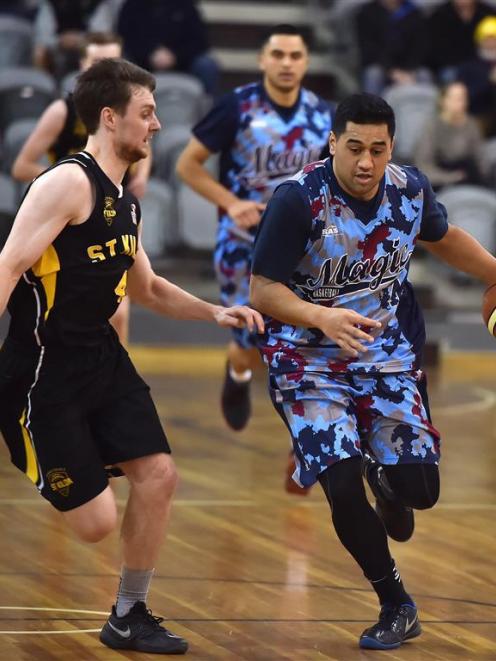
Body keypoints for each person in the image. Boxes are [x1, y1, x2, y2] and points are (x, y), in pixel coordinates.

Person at [0, 57, 263, 655]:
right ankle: (32, 438)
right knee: (94, 526)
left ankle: (129, 614)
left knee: (160, 476)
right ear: (110, 117)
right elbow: (9, 267)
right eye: (147, 113)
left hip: (103, 358)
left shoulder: (126, 198)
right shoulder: (66, 183)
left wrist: (216, 312)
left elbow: (147, 290)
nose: (157, 125)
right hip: (43, 368)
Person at [250, 93, 496, 650]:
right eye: (354, 147)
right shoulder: (298, 200)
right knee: (339, 482)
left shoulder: (410, 190)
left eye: (378, 150)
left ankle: (388, 480)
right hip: (306, 357)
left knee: (421, 493)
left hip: (387, 356)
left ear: (391, 149)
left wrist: (493, 273)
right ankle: (396, 604)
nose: (366, 161)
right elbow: (262, 291)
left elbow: (444, 237)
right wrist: (321, 317)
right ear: (333, 142)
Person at [176, 25, 332, 454]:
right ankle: (239, 374)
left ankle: (313, 431)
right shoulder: (237, 107)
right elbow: (188, 166)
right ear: (263, 60)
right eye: (277, 54)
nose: (286, 63)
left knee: (303, 336)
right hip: (243, 238)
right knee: (250, 336)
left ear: (306, 62)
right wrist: (230, 203)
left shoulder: (323, 115)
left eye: (295, 55)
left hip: (303, 244)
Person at [12, 31, 152, 345]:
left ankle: (114, 375)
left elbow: (145, 146)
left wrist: (142, 174)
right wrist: (73, 181)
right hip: (71, 216)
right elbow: (21, 166)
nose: (106, 72)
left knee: (120, 310)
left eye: (113, 63)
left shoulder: (132, 111)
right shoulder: (62, 111)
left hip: (116, 210)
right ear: (82, 66)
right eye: (98, 63)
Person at [115, 0, 219, 96]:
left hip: (182, 63)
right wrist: (149, 54)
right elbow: (124, 39)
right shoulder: (132, 5)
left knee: (207, 65)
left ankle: (209, 110)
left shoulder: (185, 4)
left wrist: (175, 56)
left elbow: (200, 40)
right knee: (121, 64)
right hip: (142, 62)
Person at [414, 81, 489, 189]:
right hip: (441, 179)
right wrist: (451, 178)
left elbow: (481, 160)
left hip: (468, 176)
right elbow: (423, 164)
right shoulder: (432, 126)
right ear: (443, 101)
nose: (460, 103)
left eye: (463, 98)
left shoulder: (471, 125)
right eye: (455, 98)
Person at [355, 0, 431, 95]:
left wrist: (409, 70)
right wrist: (392, 71)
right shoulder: (367, 13)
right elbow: (369, 48)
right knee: (373, 74)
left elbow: (420, 46)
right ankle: (371, 109)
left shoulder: (414, 12)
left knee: (424, 74)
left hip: (409, 66)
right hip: (380, 64)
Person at [426, 0, 495, 84]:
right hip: (450, 66)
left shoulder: (489, 13)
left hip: (483, 64)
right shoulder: (438, 15)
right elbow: (433, 51)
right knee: (449, 75)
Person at [457, 15, 496, 137]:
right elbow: (466, 98)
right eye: (487, 38)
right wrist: (489, 81)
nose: (491, 42)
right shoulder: (469, 67)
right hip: (479, 115)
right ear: (479, 40)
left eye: (494, 38)